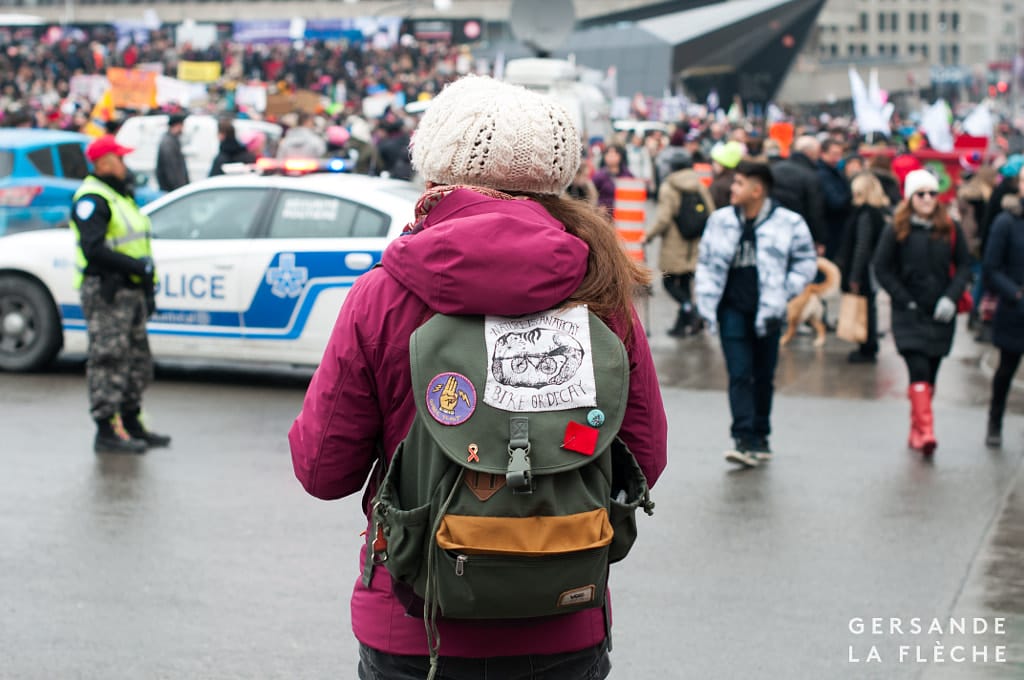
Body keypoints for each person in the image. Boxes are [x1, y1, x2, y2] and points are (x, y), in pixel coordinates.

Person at [288, 75, 667, 679]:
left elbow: (322, 472)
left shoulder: (383, 295)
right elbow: (644, 457)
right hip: (564, 614)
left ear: (436, 170)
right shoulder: (600, 291)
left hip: (415, 625)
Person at [695, 160, 817, 467]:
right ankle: (743, 438)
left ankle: (761, 434)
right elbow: (706, 262)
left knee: (763, 376)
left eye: (738, 183)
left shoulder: (789, 222)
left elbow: (806, 262)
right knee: (739, 374)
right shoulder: (720, 220)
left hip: (769, 312)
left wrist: (785, 290)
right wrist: (707, 299)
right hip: (730, 309)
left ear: (757, 189)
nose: (732, 188)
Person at [69, 135, 171, 454]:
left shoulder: (119, 195)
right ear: (103, 163)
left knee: (137, 361)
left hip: (131, 290)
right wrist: (134, 267)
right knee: (108, 360)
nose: (124, 164)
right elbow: (93, 249)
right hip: (107, 291)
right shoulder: (92, 199)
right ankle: (106, 430)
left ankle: (130, 422)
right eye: (120, 158)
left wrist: (144, 281)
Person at [872, 170, 971, 457]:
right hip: (908, 313)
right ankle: (927, 430)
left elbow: (964, 265)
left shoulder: (950, 228)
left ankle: (917, 426)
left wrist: (951, 298)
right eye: (920, 194)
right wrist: (903, 298)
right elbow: (882, 268)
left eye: (931, 193)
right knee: (917, 368)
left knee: (931, 373)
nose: (927, 199)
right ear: (910, 197)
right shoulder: (895, 229)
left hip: (940, 313)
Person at [647, 150, 715, 337]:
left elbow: (663, 219)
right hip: (694, 243)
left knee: (669, 283)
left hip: (674, 244)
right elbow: (710, 211)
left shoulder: (669, 187)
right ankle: (681, 326)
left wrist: (648, 236)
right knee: (685, 284)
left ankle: (691, 311)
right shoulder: (699, 185)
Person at [981, 165, 1024, 448]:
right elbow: (991, 267)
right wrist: (1016, 294)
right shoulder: (1006, 222)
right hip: (1015, 311)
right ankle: (994, 421)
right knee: (1005, 370)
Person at [836, 172, 890, 363]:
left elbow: (862, 246)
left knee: (866, 308)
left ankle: (867, 346)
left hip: (864, 269)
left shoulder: (865, 214)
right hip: (869, 268)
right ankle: (868, 344)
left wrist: (854, 276)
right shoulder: (877, 212)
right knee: (869, 307)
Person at [770, 135, 826, 250]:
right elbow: (815, 211)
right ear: (811, 153)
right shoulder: (811, 176)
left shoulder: (775, 168)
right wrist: (819, 239)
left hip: (772, 230)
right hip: (799, 233)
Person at [817, 139, 852, 260]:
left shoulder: (835, 171)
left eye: (839, 154)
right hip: (830, 229)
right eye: (834, 154)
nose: (837, 158)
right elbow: (835, 202)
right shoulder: (823, 174)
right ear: (823, 153)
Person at [591, 143, 632, 213]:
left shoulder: (627, 175)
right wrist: (597, 207)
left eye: (614, 154)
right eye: (608, 154)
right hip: (604, 216)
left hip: (623, 214)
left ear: (620, 156)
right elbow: (590, 194)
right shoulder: (599, 176)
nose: (610, 157)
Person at [155, 113, 189, 192]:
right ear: (177, 125)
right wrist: (180, 190)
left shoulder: (172, 140)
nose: (183, 128)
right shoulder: (168, 143)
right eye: (182, 125)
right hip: (171, 190)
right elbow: (172, 170)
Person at [708, 140, 743, 209]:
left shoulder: (719, 185)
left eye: (716, 162)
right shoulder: (738, 178)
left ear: (723, 165)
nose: (713, 165)